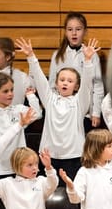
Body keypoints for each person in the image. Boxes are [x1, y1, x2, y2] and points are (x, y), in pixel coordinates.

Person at [15, 36, 98, 184]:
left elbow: (87, 84)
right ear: (56, 83)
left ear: (76, 86)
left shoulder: (80, 102)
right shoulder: (50, 99)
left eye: (70, 81)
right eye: (62, 80)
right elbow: (40, 80)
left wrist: (87, 60)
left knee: (73, 195)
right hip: (49, 156)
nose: (65, 83)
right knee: (49, 196)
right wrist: (30, 56)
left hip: (74, 157)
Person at [48, 11, 104, 131]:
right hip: (62, 112)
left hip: (85, 113)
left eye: (78, 29)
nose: (74, 33)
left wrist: (96, 112)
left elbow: (97, 86)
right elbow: (52, 84)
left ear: (85, 31)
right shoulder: (58, 55)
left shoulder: (92, 55)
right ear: (65, 32)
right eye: (70, 29)